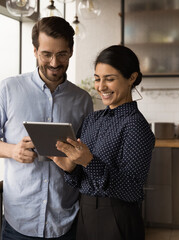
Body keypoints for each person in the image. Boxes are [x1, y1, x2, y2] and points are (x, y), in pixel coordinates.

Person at [0, 16, 93, 240]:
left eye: (62, 54)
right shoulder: (9, 88)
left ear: (71, 51)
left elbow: (87, 153)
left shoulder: (83, 99)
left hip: (65, 218)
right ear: (35, 51)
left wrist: (75, 159)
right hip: (19, 219)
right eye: (46, 54)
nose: (55, 62)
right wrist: (12, 151)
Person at [50, 45, 155, 240]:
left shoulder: (136, 125)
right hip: (86, 213)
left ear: (131, 78)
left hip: (117, 217)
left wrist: (89, 161)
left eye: (110, 79)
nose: (101, 86)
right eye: (97, 79)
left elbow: (132, 190)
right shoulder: (92, 119)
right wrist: (70, 168)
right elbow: (81, 178)